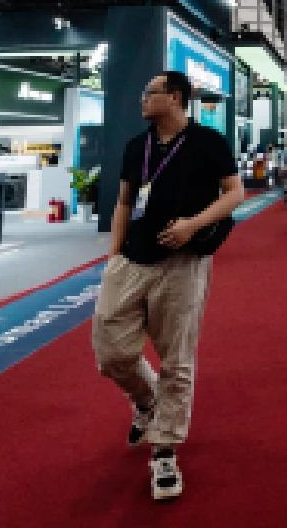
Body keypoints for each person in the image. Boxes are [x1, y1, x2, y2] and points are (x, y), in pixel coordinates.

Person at [92, 69, 244, 502]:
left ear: (175, 98)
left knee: (177, 358)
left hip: (184, 262)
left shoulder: (208, 141)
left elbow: (234, 194)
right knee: (111, 348)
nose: (143, 99)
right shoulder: (136, 146)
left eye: (150, 92)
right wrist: (113, 256)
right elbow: (124, 201)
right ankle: (146, 400)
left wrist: (193, 226)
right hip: (132, 259)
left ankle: (164, 449)